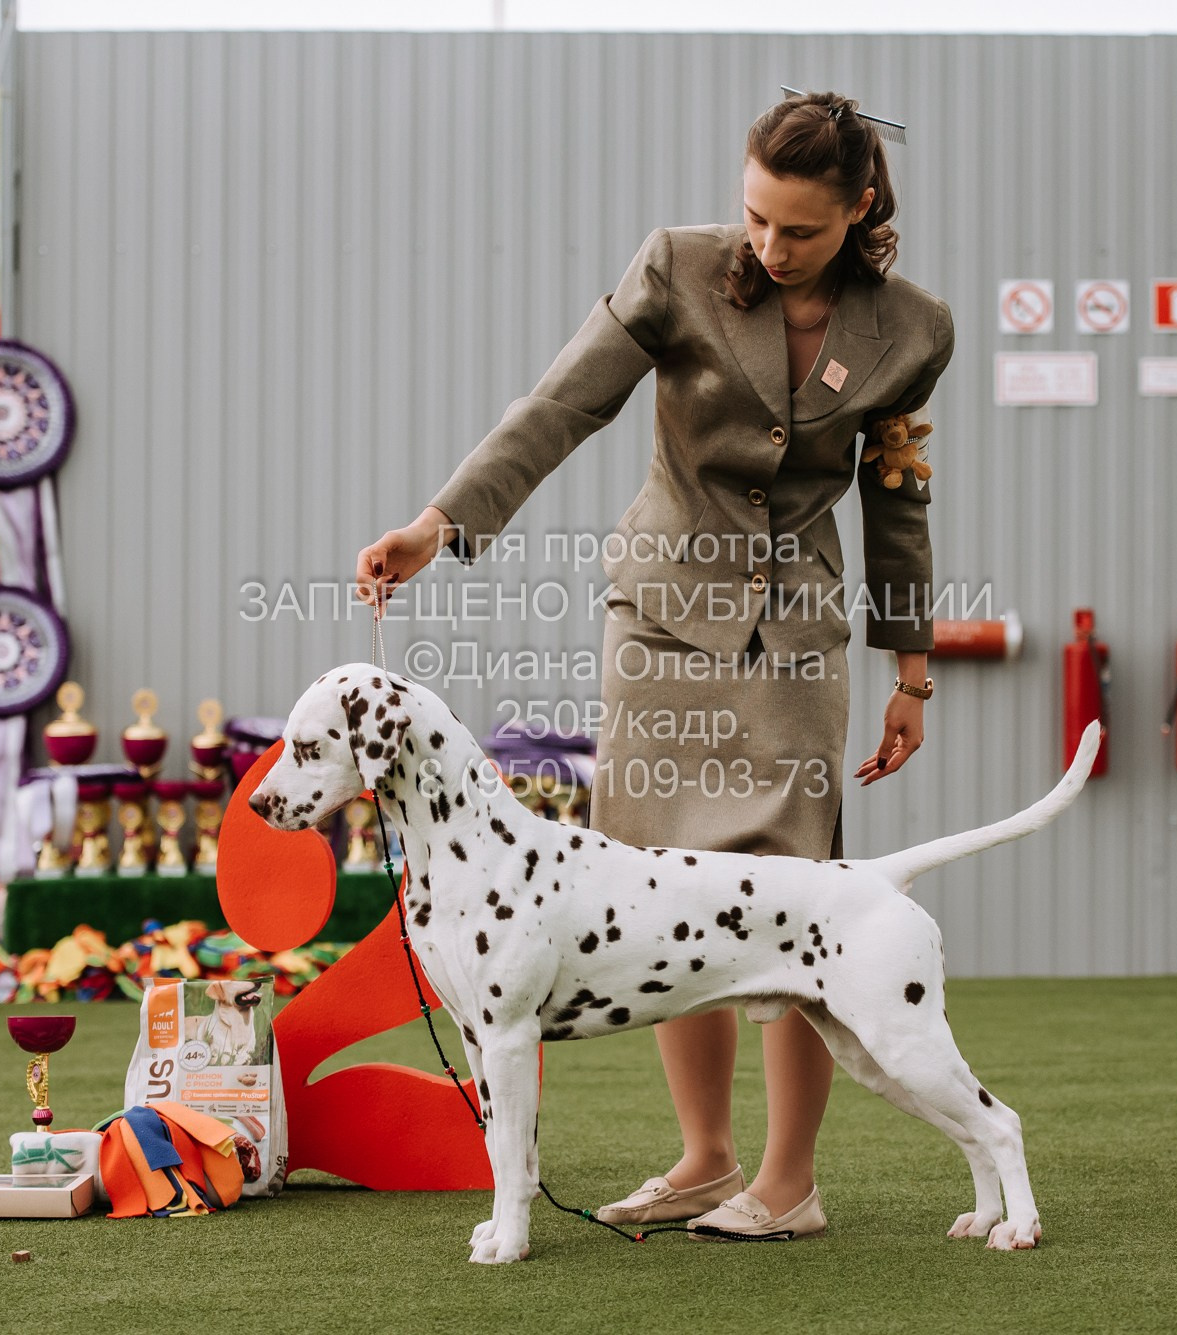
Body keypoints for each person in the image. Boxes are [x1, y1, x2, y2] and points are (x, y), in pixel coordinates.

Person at [354, 90, 954, 1241]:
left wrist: (910, 672)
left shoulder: (913, 330)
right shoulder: (676, 270)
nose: (767, 249)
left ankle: (787, 1184)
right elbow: (559, 407)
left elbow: (898, 503)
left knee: (794, 893)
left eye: (798, 231)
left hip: (793, 639)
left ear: (859, 209)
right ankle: (701, 1159)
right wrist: (441, 524)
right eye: (755, 219)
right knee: (663, 885)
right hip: (663, 625)